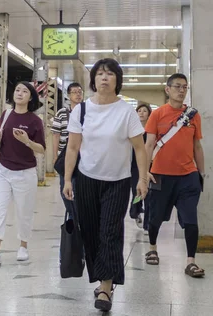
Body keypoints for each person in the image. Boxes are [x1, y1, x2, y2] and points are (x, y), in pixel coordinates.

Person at [63, 58, 148, 312]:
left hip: (117, 182)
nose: (104, 78)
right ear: (94, 80)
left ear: (117, 81)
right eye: (100, 73)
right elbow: (74, 147)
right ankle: (102, 280)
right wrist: (68, 179)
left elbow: (139, 149)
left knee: (110, 233)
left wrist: (142, 179)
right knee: (90, 231)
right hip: (87, 179)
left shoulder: (126, 112)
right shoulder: (82, 110)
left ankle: (105, 286)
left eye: (110, 74)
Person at [144, 73, 205, 278]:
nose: (181, 90)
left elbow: (197, 145)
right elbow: (149, 144)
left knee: (190, 220)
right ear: (167, 89)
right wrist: (145, 172)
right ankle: (152, 247)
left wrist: (201, 173)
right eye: (178, 86)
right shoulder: (157, 114)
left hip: (188, 176)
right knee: (156, 218)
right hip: (161, 176)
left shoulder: (193, 115)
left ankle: (191, 262)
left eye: (185, 87)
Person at [0, 81, 46, 265]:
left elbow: (41, 149)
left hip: (25, 172)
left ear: (31, 97)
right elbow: (0, 133)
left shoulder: (35, 121)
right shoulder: (6, 114)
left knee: (24, 212)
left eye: (25, 91)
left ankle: (23, 246)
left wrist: (27, 141)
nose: (19, 93)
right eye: (17, 90)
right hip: (3, 169)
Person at [51, 82, 83, 219]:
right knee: (64, 185)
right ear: (68, 95)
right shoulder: (62, 113)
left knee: (80, 187)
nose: (77, 94)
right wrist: (54, 156)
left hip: (84, 156)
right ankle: (72, 213)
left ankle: (79, 214)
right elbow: (56, 135)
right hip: (65, 156)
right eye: (74, 92)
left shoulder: (87, 111)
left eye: (79, 92)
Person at [129, 103, 152, 233]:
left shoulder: (151, 130)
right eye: (139, 111)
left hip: (148, 164)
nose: (142, 113)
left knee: (149, 193)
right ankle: (135, 211)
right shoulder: (133, 129)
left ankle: (147, 224)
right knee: (136, 190)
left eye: (144, 111)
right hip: (134, 165)